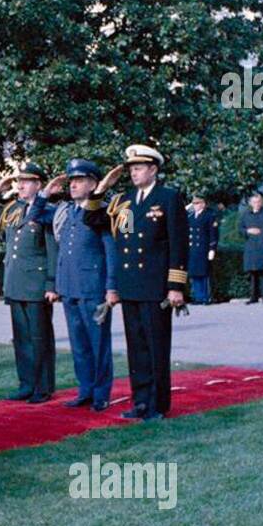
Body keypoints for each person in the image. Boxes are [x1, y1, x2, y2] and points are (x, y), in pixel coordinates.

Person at [87, 144, 188, 422]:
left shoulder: (168, 198)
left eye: (139, 168)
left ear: (153, 169)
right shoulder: (126, 201)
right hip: (131, 285)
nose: (133, 173)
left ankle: (157, 405)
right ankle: (141, 402)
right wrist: (100, 191)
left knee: (156, 346)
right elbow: (93, 219)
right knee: (137, 349)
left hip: (156, 286)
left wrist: (176, 286)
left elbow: (178, 244)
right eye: (131, 169)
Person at [52, 158, 117, 411]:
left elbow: (110, 251)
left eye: (79, 181)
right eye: (72, 181)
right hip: (69, 288)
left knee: (98, 344)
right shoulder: (67, 211)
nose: (74, 185)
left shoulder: (102, 212)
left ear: (93, 183)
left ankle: (101, 394)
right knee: (79, 345)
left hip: (93, 287)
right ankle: (85, 390)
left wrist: (111, 287)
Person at [0, 162, 57, 403]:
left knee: (39, 337)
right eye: (19, 181)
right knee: (21, 337)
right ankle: (26, 384)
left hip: (37, 283)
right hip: (16, 282)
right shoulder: (13, 210)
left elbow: (52, 250)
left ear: (39, 185)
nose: (20, 185)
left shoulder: (47, 211)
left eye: (26, 181)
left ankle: (43, 387)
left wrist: (51, 284)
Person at [239, 192, 263, 303]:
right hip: (251, 248)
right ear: (251, 203)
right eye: (255, 202)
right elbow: (240, 229)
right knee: (252, 274)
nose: (257, 204)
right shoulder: (246, 214)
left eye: (259, 201)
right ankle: (253, 297)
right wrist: (248, 231)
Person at [186, 193, 218, 305]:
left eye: (197, 203)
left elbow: (213, 233)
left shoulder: (209, 215)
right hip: (193, 249)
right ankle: (197, 297)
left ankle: (206, 297)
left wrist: (212, 248)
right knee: (194, 274)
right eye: (193, 203)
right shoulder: (190, 216)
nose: (195, 205)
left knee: (204, 274)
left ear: (203, 204)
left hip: (203, 249)